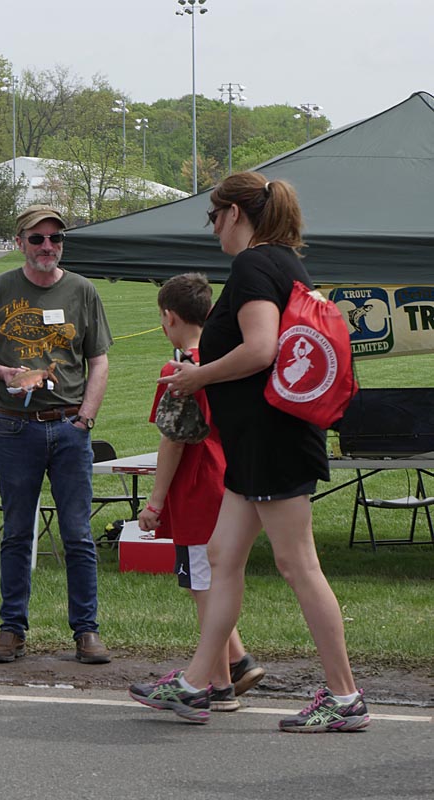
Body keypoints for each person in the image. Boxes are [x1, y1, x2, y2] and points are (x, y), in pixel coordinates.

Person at [129, 172, 370, 732]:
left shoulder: (254, 265)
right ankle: (195, 685)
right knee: (220, 557)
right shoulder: (284, 261)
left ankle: (345, 696)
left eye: (212, 216)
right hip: (257, 443)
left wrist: (198, 377)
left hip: (270, 440)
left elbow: (261, 349)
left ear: (234, 213)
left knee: (298, 564)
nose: (212, 228)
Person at [0, 204, 113, 666]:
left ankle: (87, 631)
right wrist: (1, 369)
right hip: (15, 426)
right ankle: (12, 630)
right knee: (16, 532)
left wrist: (85, 418)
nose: (48, 247)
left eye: (55, 239)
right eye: (37, 239)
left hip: (69, 427)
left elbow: (99, 360)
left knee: (78, 534)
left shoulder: (82, 291)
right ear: (20, 242)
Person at [134, 273, 264, 716]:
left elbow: (172, 441)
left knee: (202, 584)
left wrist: (154, 501)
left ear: (169, 317)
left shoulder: (180, 371)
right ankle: (235, 661)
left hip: (196, 486)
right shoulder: (228, 360)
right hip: (230, 478)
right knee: (216, 578)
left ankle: (220, 683)